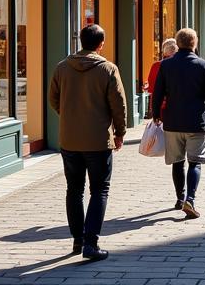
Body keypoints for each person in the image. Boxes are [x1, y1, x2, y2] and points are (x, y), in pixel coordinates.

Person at [48, 23, 126, 261]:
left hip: (70, 139)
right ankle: (91, 243)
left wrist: (70, 116)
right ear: (101, 44)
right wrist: (120, 132)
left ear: (81, 41)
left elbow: (53, 98)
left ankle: (77, 239)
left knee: (74, 190)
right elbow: (119, 104)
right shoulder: (108, 69)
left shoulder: (63, 67)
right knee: (99, 190)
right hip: (98, 141)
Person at [151, 28, 205, 220]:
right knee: (195, 162)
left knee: (177, 162)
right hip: (196, 121)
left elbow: (158, 92)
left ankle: (179, 199)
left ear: (178, 44)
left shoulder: (166, 65)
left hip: (173, 121)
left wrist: (157, 114)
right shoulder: (203, 65)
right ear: (194, 43)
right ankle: (191, 198)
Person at [147, 37, 178, 121]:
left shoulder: (156, 66)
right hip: (177, 108)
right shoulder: (180, 65)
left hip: (160, 108)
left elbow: (151, 89)